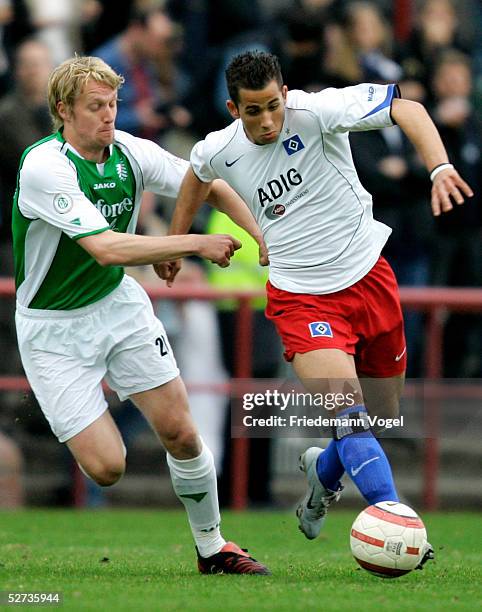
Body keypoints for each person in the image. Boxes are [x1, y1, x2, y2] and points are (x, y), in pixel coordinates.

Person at [159, 50, 473, 564]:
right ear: (233, 109)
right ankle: (394, 520)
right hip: (301, 298)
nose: (267, 121)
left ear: (284, 95)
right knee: (351, 419)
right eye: (253, 110)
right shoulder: (221, 147)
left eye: (273, 106)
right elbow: (197, 174)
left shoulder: (319, 110)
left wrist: (439, 168)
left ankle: (322, 474)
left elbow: (408, 109)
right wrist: (176, 242)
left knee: (383, 416)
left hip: (369, 278)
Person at [12, 55, 270, 575]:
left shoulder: (129, 151)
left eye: (112, 104)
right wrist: (191, 242)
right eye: (94, 107)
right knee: (107, 468)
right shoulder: (45, 166)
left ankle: (213, 546)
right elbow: (105, 247)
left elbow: (209, 181)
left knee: (181, 431)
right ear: (63, 110)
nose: (109, 116)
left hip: (117, 305)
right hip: (52, 330)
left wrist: (262, 237)